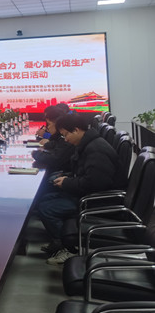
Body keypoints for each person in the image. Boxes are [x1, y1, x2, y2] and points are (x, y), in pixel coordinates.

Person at [36, 113, 122, 265]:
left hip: (96, 200)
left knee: (47, 208)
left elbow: (95, 183)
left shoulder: (96, 150)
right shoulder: (86, 143)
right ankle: (59, 241)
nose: (66, 139)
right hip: (87, 194)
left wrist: (67, 183)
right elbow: (84, 173)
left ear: (76, 130)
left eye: (66, 135)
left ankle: (70, 248)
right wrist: (67, 176)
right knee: (45, 199)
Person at [31, 106, 73, 173]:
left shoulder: (66, 137)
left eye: (49, 124)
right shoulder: (59, 137)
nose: (47, 127)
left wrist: (35, 153)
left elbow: (55, 159)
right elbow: (55, 144)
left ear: (57, 123)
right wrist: (47, 144)